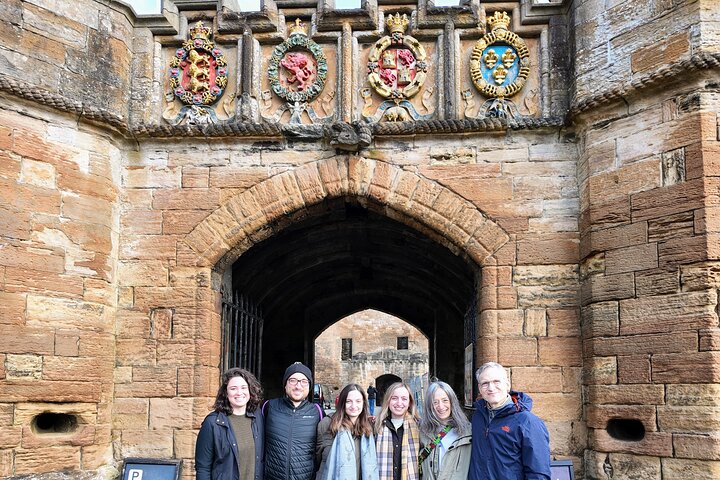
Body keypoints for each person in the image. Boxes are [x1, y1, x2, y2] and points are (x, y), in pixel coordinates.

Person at [468, 362, 551, 480]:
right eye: (485, 383)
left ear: (507, 385)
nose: (491, 388)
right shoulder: (477, 417)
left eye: (496, 381)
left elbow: (538, 473)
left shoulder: (527, 422)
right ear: (480, 388)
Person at [195, 368, 264, 480]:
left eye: (243, 387)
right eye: (233, 388)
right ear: (226, 393)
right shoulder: (212, 423)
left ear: (250, 391)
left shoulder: (258, 417)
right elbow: (203, 468)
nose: (239, 392)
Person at [264, 362, 324, 480]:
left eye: (304, 381)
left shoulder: (317, 412)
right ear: (285, 384)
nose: (298, 386)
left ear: (309, 386)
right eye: (293, 380)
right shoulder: (269, 407)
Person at [315, 383, 379, 480]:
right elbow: (317, 458)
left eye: (358, 401)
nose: (354, 406)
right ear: (342, 403)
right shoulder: (327, 424)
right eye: (348, 401)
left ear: (363, 403)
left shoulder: (370, 427)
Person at [418, 381, 472, 479]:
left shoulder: (468, 431)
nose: (441, 406)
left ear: (452, 402)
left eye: (445, 400)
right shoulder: (422, 431)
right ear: (429, 405)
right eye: (435, 402)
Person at [374, 382, 421, 480]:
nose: (399, 403)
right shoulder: (376, 426)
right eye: (394, 398)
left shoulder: (419, 427)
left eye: (404, 399)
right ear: (388, 400)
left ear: (409, 402)